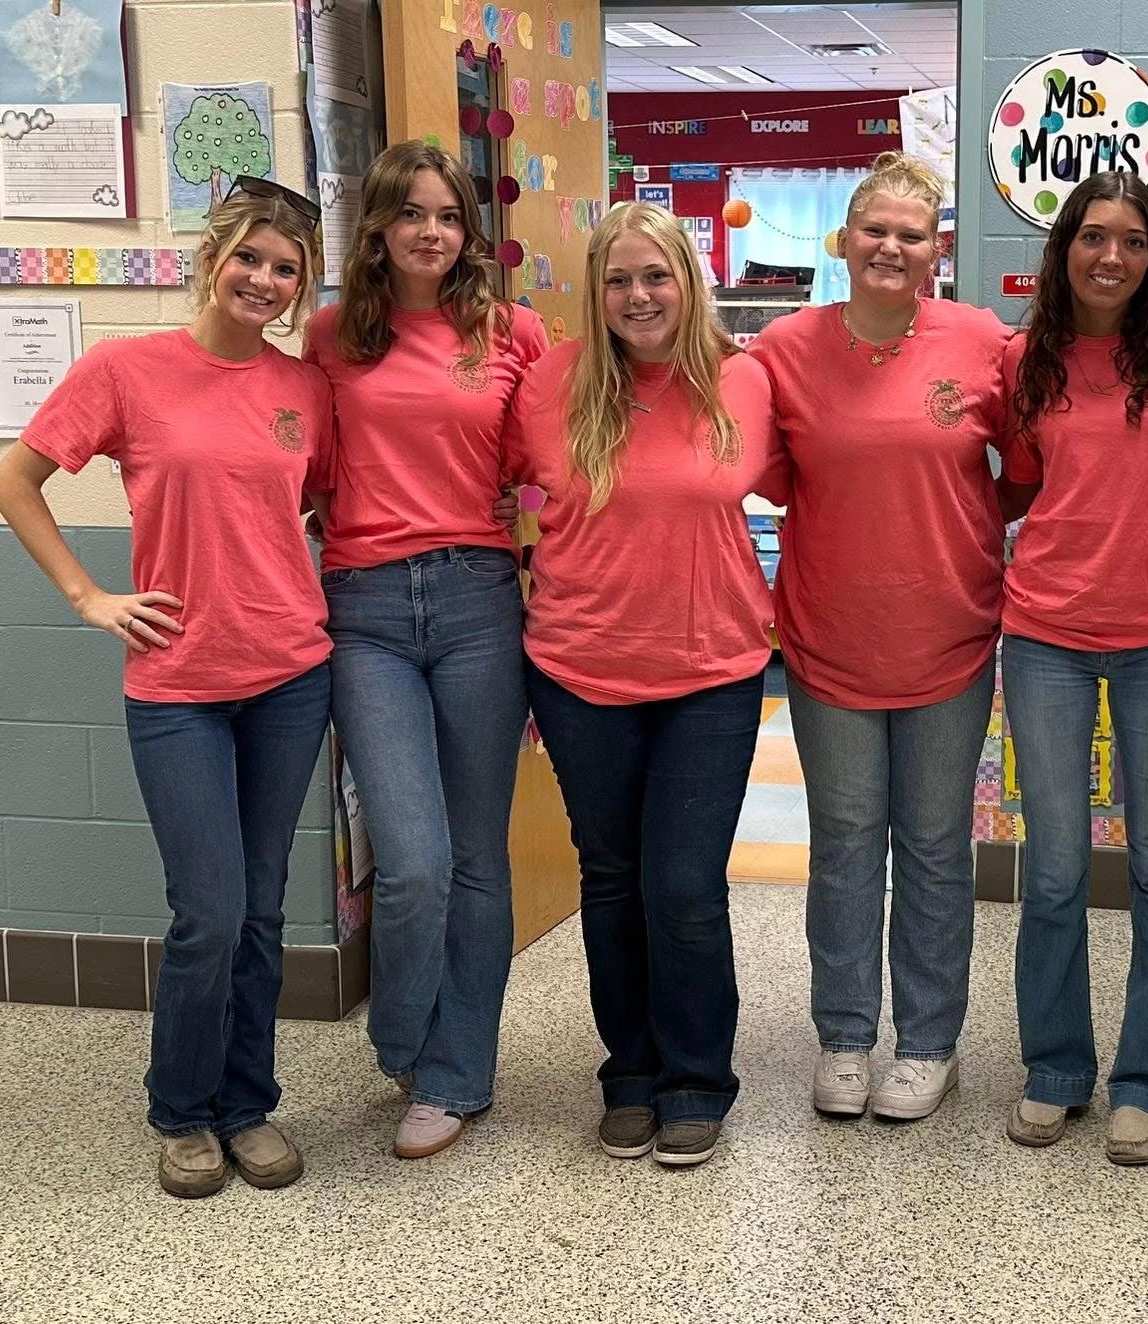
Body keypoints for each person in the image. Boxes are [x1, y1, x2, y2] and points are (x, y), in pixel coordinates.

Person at [0, 180, 334, 1198]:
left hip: (290, 676)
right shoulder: (125, 370)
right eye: (252, 259)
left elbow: (310, 508)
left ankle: (247, 1104)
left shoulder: (302, 390)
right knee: (211, 910)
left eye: (286, 270)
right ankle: (183, 1111)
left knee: (265, 908)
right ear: (212, 256)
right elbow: (16, 479)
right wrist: (89, 596)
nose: (265, 282)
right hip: (178, 686)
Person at [501, 202, 782, 1168]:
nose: (639, 296)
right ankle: (630, 1073)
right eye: (619, 279)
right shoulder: (546, 384)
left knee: (686, 887)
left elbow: (821, 483)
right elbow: (475, 483)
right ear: (596, 289)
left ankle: (698, 1078)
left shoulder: (744, 382)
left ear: (689, 282)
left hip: (713, 670)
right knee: (611, 882)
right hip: (579, 669)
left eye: (656, 276)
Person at [750, 152, 1010, 1122]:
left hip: (948, 634)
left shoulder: (980, 339)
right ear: (843, 239)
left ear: (936, 247)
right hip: (828, 641)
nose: (891, 247)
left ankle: (930, 1041)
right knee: (846, 843)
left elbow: (1018, 464)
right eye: (875, 231)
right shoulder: (783, 348)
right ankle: (846, 1035)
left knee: (936, 847)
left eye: (912, 233)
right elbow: (774, 476)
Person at [303, 142, 546, 1161]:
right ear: (378, 229)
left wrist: (520, 504)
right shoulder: (330, 336)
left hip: (478, 601)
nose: (431, 232)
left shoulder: (513, 333)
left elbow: (556, 461)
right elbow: (299, 458)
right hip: (364, 611)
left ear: (467, 233)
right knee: (410, 861)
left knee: (478, 861)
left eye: (447, 216)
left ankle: (455, 1073)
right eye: (411, 214)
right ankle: (403, 1037)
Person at [995, 172, 1148, 1165]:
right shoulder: (1024, 359)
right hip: (1044, 632)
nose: (1110, 257)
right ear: (1064, 249)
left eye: (1131, 241)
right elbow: (1018, 486)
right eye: (1093, 237)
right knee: (1050, 868)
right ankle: (1054, 1067)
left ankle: (1147, 1079)